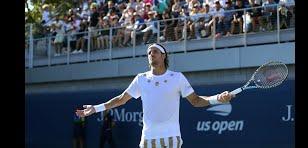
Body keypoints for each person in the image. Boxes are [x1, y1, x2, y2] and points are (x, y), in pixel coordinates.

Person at [76, 43, 235, 147]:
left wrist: (216, 99)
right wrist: (96, 109)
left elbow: (196, 100)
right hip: (148, 139)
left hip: (171, 138)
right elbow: (121, 99)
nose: (151, 54)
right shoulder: (141, 79)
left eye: (155, 51)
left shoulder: (177, 77)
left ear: (163, 55)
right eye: (149, 52)